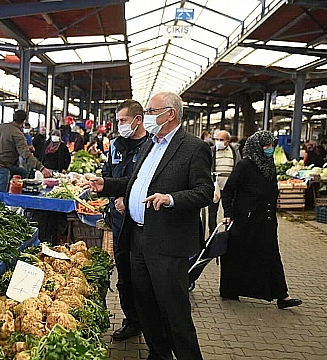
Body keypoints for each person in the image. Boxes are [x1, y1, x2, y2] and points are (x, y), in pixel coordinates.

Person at [88, 91, 212, 360]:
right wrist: (106, 185)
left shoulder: (193, 147)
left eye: (153, 111)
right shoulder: (149, 145)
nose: (148, 116)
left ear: (171, 113)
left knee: (174, 309)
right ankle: (158, 354)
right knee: (146, 305)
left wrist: (170, 199)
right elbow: (134, 184)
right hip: (138, 237)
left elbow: (204, 191)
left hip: (167, 242)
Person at [220, 130, 302, 310]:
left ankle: (282, 295)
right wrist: (228, 213)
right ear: (257, 146)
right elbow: (228, 191)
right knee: (238, 254)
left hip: (266, 220)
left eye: (272, 145)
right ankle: (230, 289)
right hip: (246, 219)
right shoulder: (245, 165)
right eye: (266, 145)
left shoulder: (269, 165)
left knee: (271, 254)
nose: (269, 149)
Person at [100, 99, 149, 342]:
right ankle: (131, 321)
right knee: (124, 276)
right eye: (117, 121)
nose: (119, 125)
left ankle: (147, 321)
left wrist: (126, 199)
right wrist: (114, 196)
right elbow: (108, 174)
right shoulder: (116, 145)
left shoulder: (151, 146)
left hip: (140, 222)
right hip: (118, 220)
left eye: (123, 121)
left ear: (137, 120)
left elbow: (146, 182)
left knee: (141, 274)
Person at [0, 110, 51, 192]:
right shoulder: (18, 134)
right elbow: (26, 155)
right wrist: (41, 168)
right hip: (0, 168)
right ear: (24, 121)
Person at [208, 130, 241, 232]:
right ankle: (212, 234)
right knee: (212, 212)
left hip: (229, 188)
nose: (218, 142)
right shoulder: (211, 151)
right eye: (216, 139)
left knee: (229, 212)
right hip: (215, 188)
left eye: (221, 140)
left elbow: (238, 167)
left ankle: (228, 233)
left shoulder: (234, 152)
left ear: (227, 141)